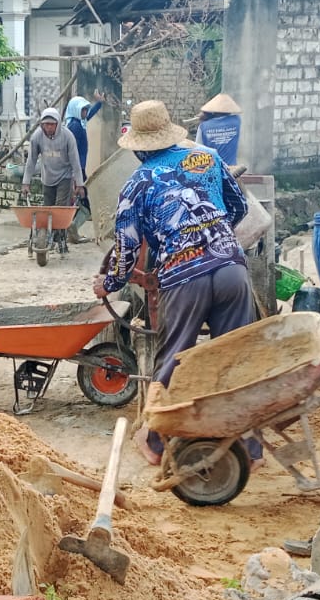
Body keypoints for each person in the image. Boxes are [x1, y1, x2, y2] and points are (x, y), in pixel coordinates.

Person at [93, 100, 254, 465]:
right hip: (231, 268)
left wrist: (109, 283)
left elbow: (127, 247)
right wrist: (215, 237)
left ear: (137, 148)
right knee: (236, 360)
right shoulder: (209, 158)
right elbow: (239, 207)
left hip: (184, 276)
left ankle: (152, 440)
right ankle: (251, 449)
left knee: (175, 358)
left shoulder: (136, 185)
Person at [22, 107, 85, 247]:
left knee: (59, 209)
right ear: (41, 124)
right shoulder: (37, 137)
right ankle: (48, 236)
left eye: (52, 124)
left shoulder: (68, 136)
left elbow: (75, 162)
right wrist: (26, 183)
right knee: (47, 209)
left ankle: (57, 238)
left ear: (58, 124)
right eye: (46, 124)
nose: (49, 128)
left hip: (65, 177)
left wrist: (79, 184)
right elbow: (31, 160)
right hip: (47, 177)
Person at [195, 93, 243, 167]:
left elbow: (198, 151)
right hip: (231, 170)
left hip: (212, 169)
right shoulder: (236, 121)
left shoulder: (203, 126)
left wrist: (205, 118)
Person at [65, 94, 104, 177]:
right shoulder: (75, 126)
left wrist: (99, 103)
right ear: (76, 109)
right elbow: (73, 150)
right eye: (83, 110)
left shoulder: (78, 122)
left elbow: (89, 115)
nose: (85, 112)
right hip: (76, 168)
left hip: (79, 167)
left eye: (86, 109)